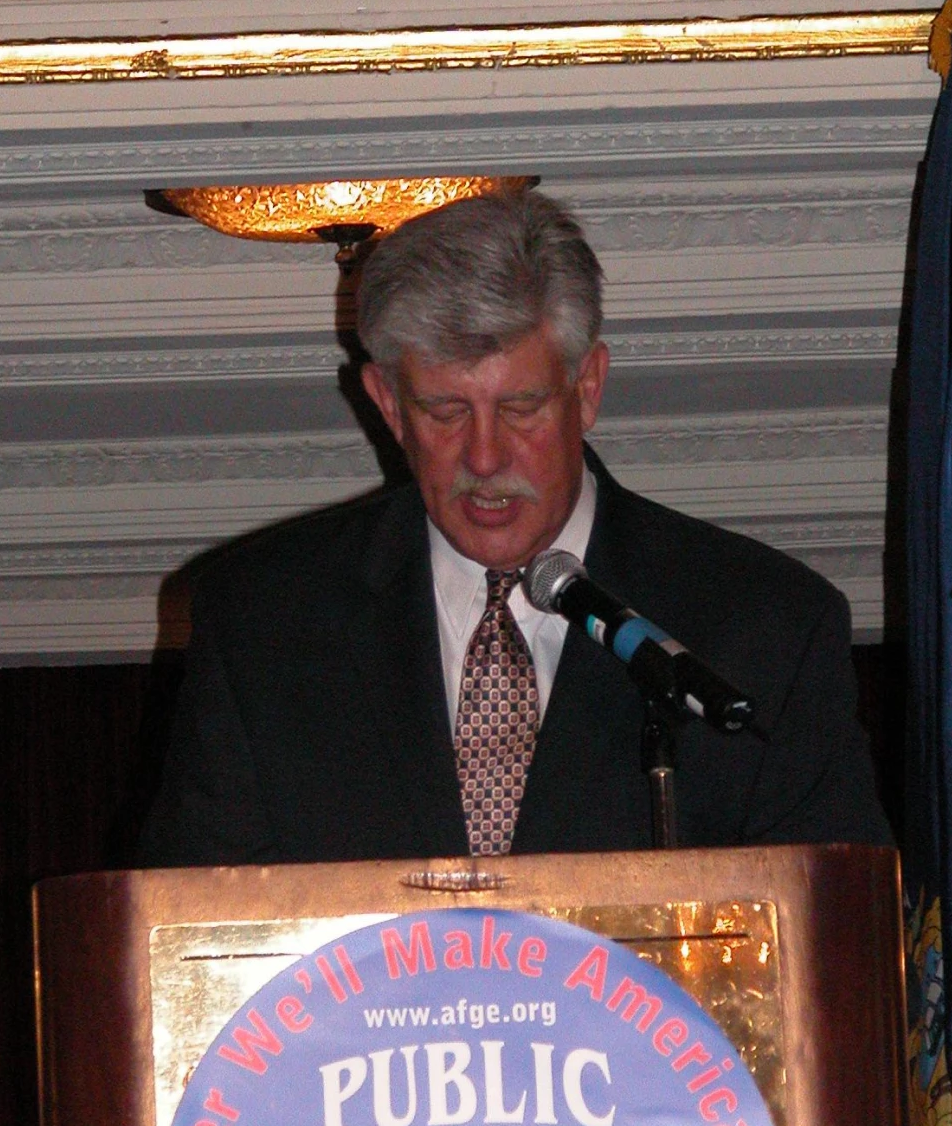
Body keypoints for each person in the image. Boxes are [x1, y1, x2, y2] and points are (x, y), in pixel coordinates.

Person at [140, 188, 890, 864]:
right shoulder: (265, 625)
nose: (486, 455)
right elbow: (185, 939)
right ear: (388, 404)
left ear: (587, 388)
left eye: (521, 408)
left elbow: (833, 947)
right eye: (445, 411)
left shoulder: (765, 631)